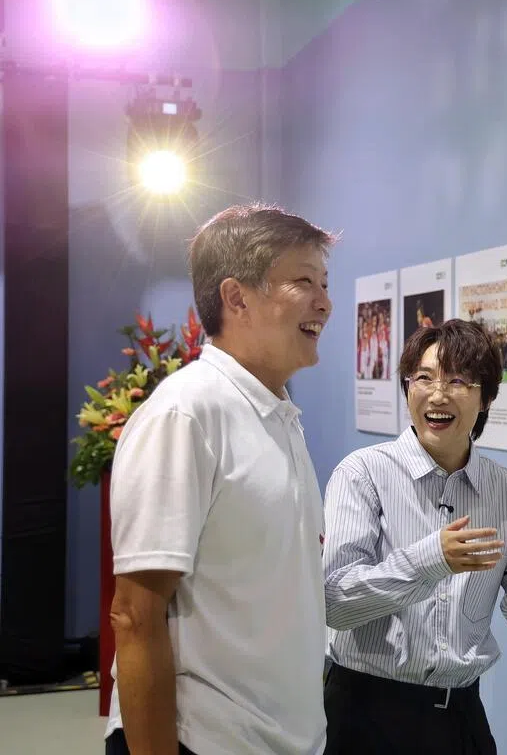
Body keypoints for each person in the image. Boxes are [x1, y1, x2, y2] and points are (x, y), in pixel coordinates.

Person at [103, 204, 335, 755]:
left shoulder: (279, 416)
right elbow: (135, 615)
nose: (325, 302)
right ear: (236, 298)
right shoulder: (186, 415)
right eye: (303, 282)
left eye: (325, 283)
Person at [322, 319, 507, 755]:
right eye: (423, 378)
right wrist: (432, 558)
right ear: (407, 389)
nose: (438, 395)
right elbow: (335, 602)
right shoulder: (363, 473)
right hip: (363, 712)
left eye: (458, 381)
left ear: (486, 397)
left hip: (459, 717)